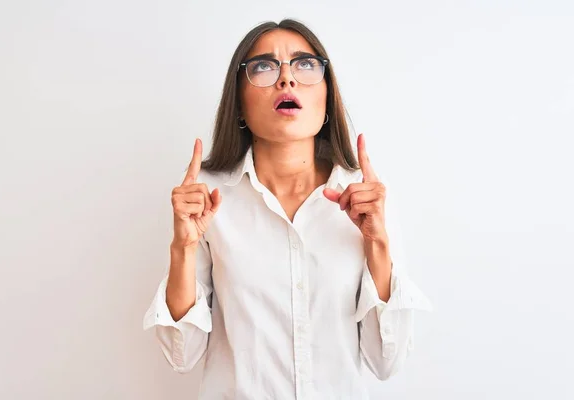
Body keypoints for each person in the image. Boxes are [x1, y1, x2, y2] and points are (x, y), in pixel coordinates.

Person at [143, 19, 432, 399]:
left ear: (327, 99)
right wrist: (182, 247)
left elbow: (386, 361)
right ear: (239, 106)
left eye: (304, 65)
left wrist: (377, 242)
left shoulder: (365, 197)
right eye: (263, 67)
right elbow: (183, 355)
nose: (286, 79)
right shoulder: (207, 199)